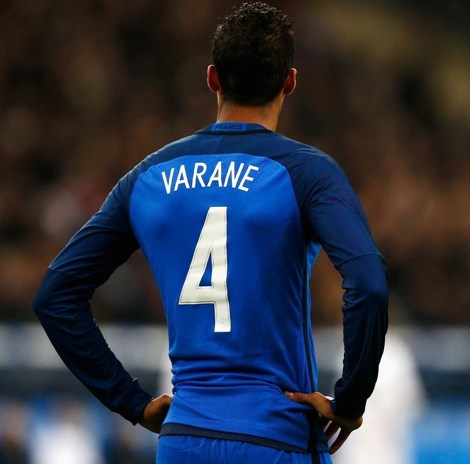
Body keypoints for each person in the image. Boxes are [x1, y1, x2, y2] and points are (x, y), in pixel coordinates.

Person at [32, 3, 389, 464]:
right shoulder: (307, 173)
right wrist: (351, 400)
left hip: (185, 438)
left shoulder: (148, 177)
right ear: (289, 82)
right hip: (276, 435)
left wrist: (131, 400)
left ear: (212, 79)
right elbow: (368, 284)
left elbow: (55, 295)